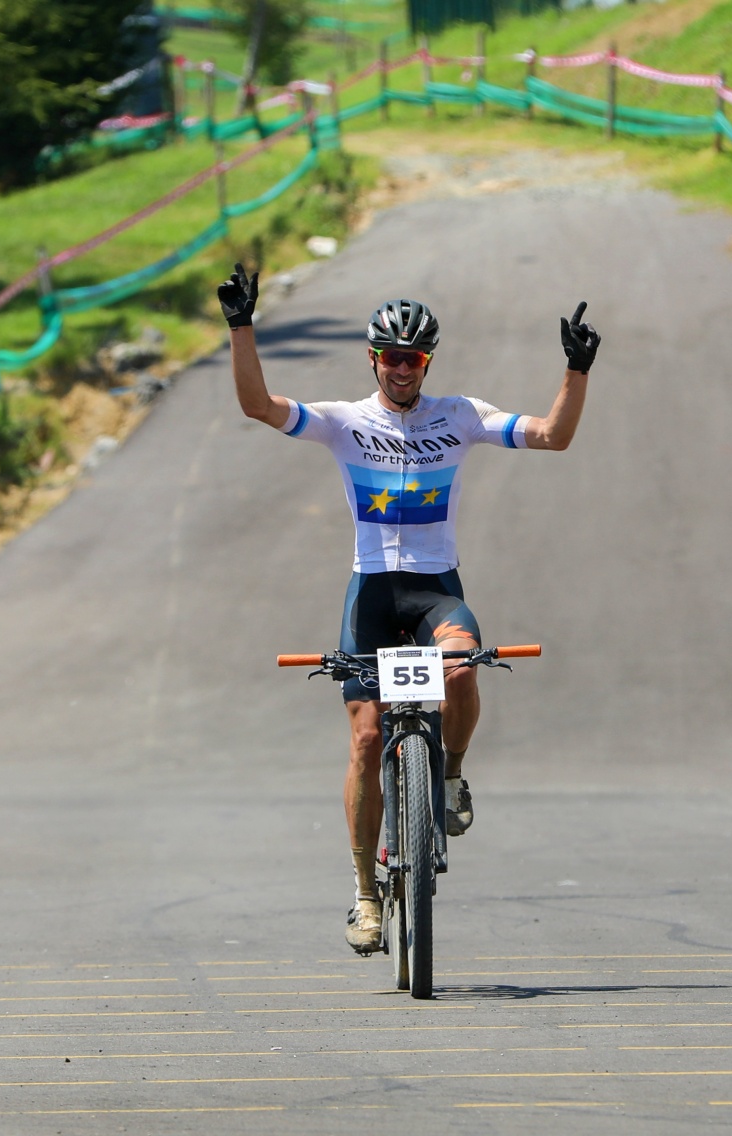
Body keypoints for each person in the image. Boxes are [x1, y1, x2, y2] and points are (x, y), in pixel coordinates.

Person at [219, 263, 599, 955]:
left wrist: (576, 371)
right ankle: (366, 892)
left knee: (461, 667)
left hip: (434, 588)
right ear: (374, 360)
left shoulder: (458, 416)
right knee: (366, 738)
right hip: (370, 592)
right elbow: (257, 406)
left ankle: (449, 775)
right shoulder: (343, 423)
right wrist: (242, 329)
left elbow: (554, 436)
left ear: (427, 361)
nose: (402, 369)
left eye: (413, 358)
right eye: (391, 358)